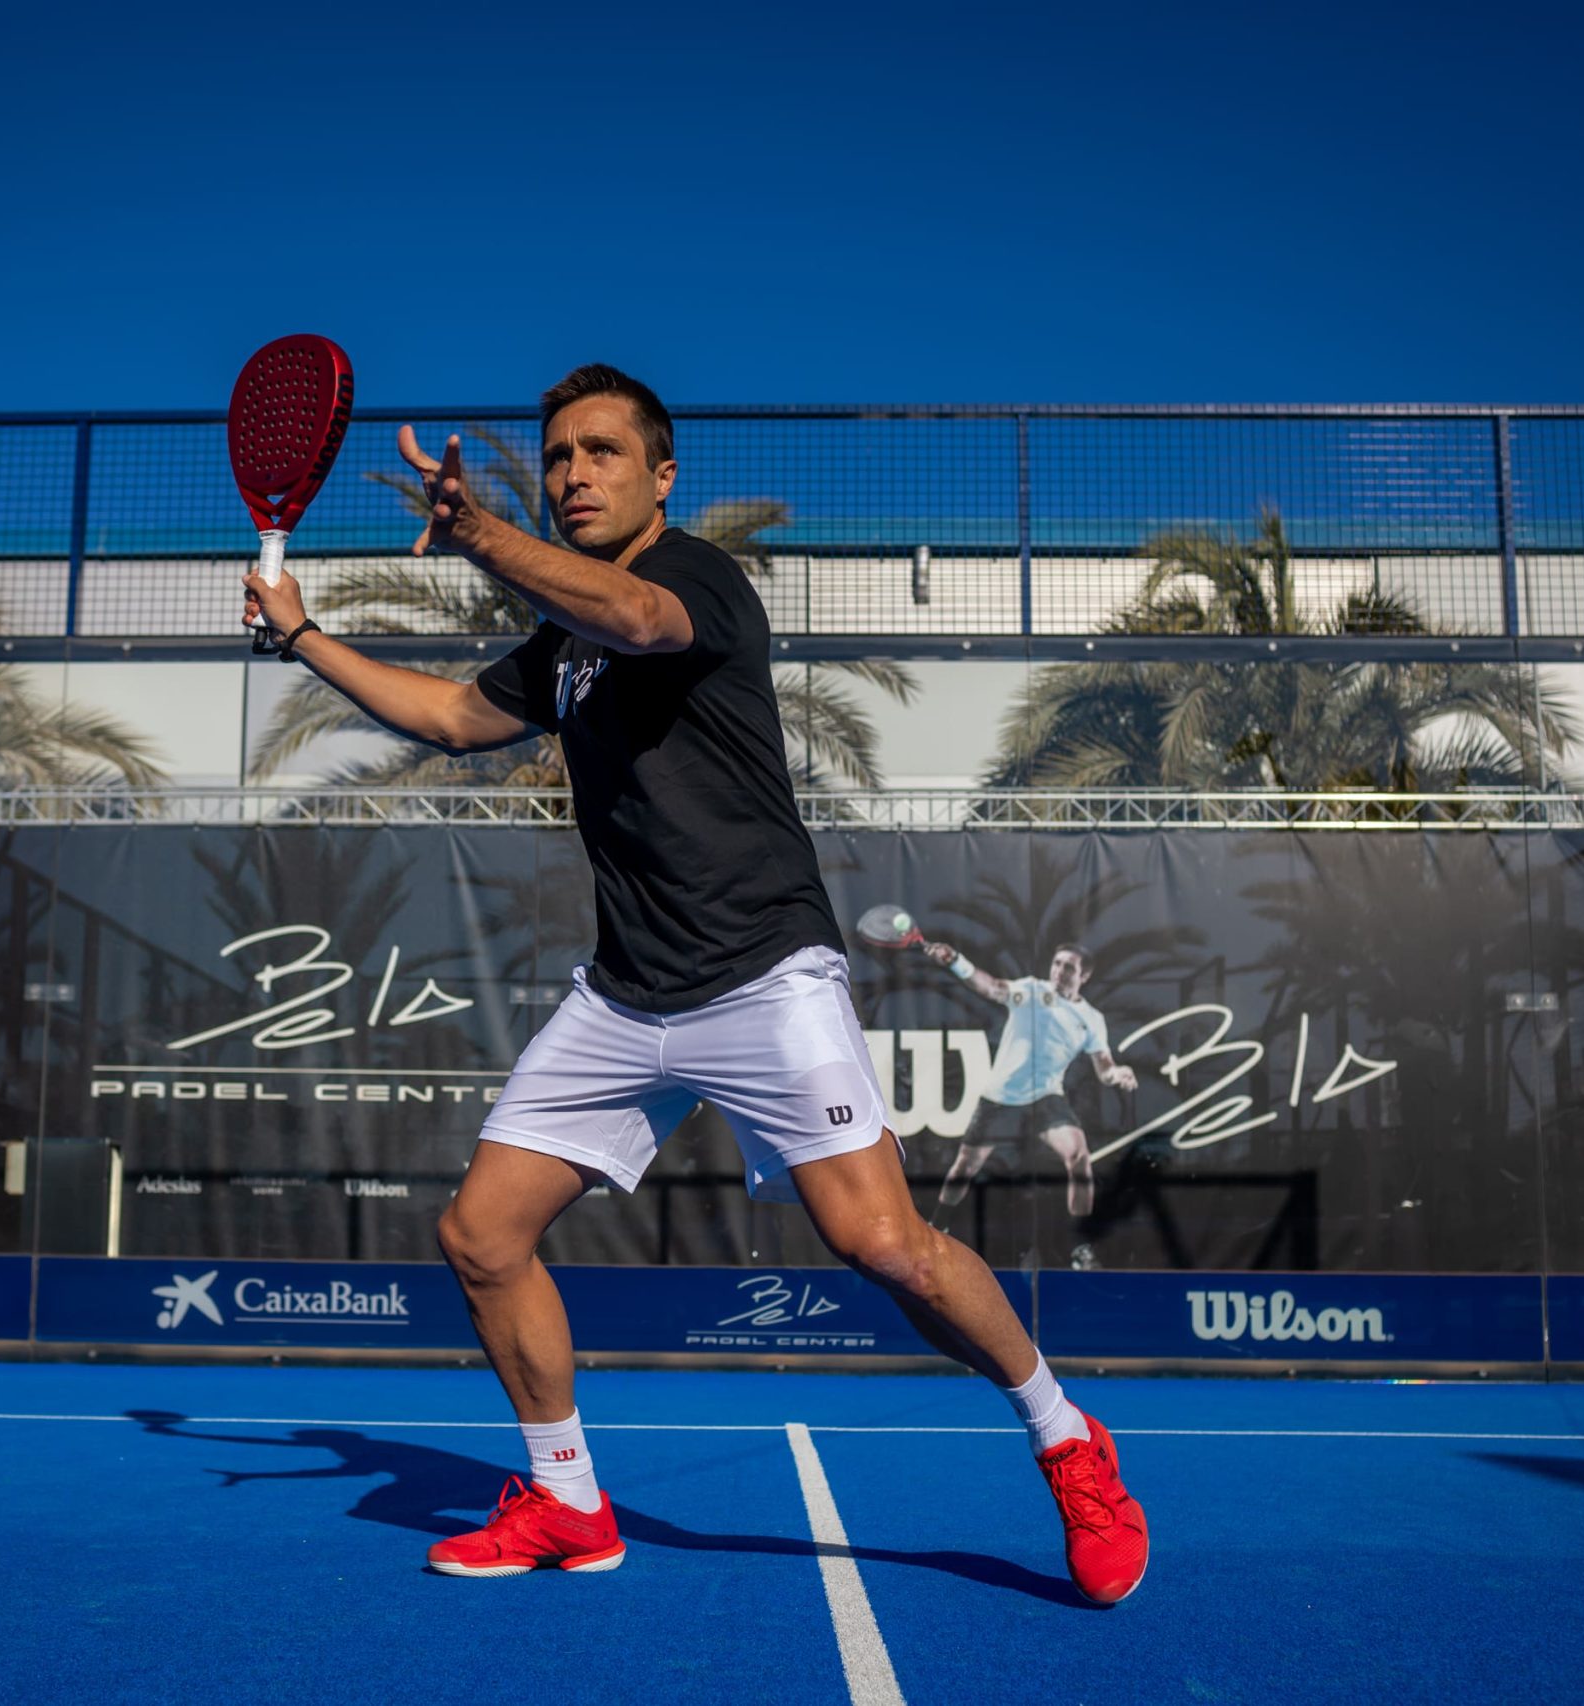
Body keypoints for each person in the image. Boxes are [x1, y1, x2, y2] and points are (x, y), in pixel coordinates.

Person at [240, 365, 1147, 1603]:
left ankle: (1064, 1435)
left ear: (662, 476)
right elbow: (455, 715)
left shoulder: (699, 582)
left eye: (601, 453)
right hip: (626, 991)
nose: (573, 475)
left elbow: (641, 622)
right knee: (481, 1234)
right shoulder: (563, 645)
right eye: (557, 456)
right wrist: (299, 632)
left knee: (883, 1244)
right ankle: (567, 1500)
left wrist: (482, 535)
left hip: (762, 974)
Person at [924, 941, 1137, 1237]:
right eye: (1057, 963)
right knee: (964, 1168)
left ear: (1084, 976)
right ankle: (937, 1226)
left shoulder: (1092, 1020)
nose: (1060, 971)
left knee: (1079, 1156)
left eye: (1069, 967)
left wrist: (1118, 1074)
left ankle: (1081, 1244)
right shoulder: (1032, 991)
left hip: (1045, 1097)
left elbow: (1105, 1068)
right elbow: (991, 987)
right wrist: (956, 960)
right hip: (1000, 1097)